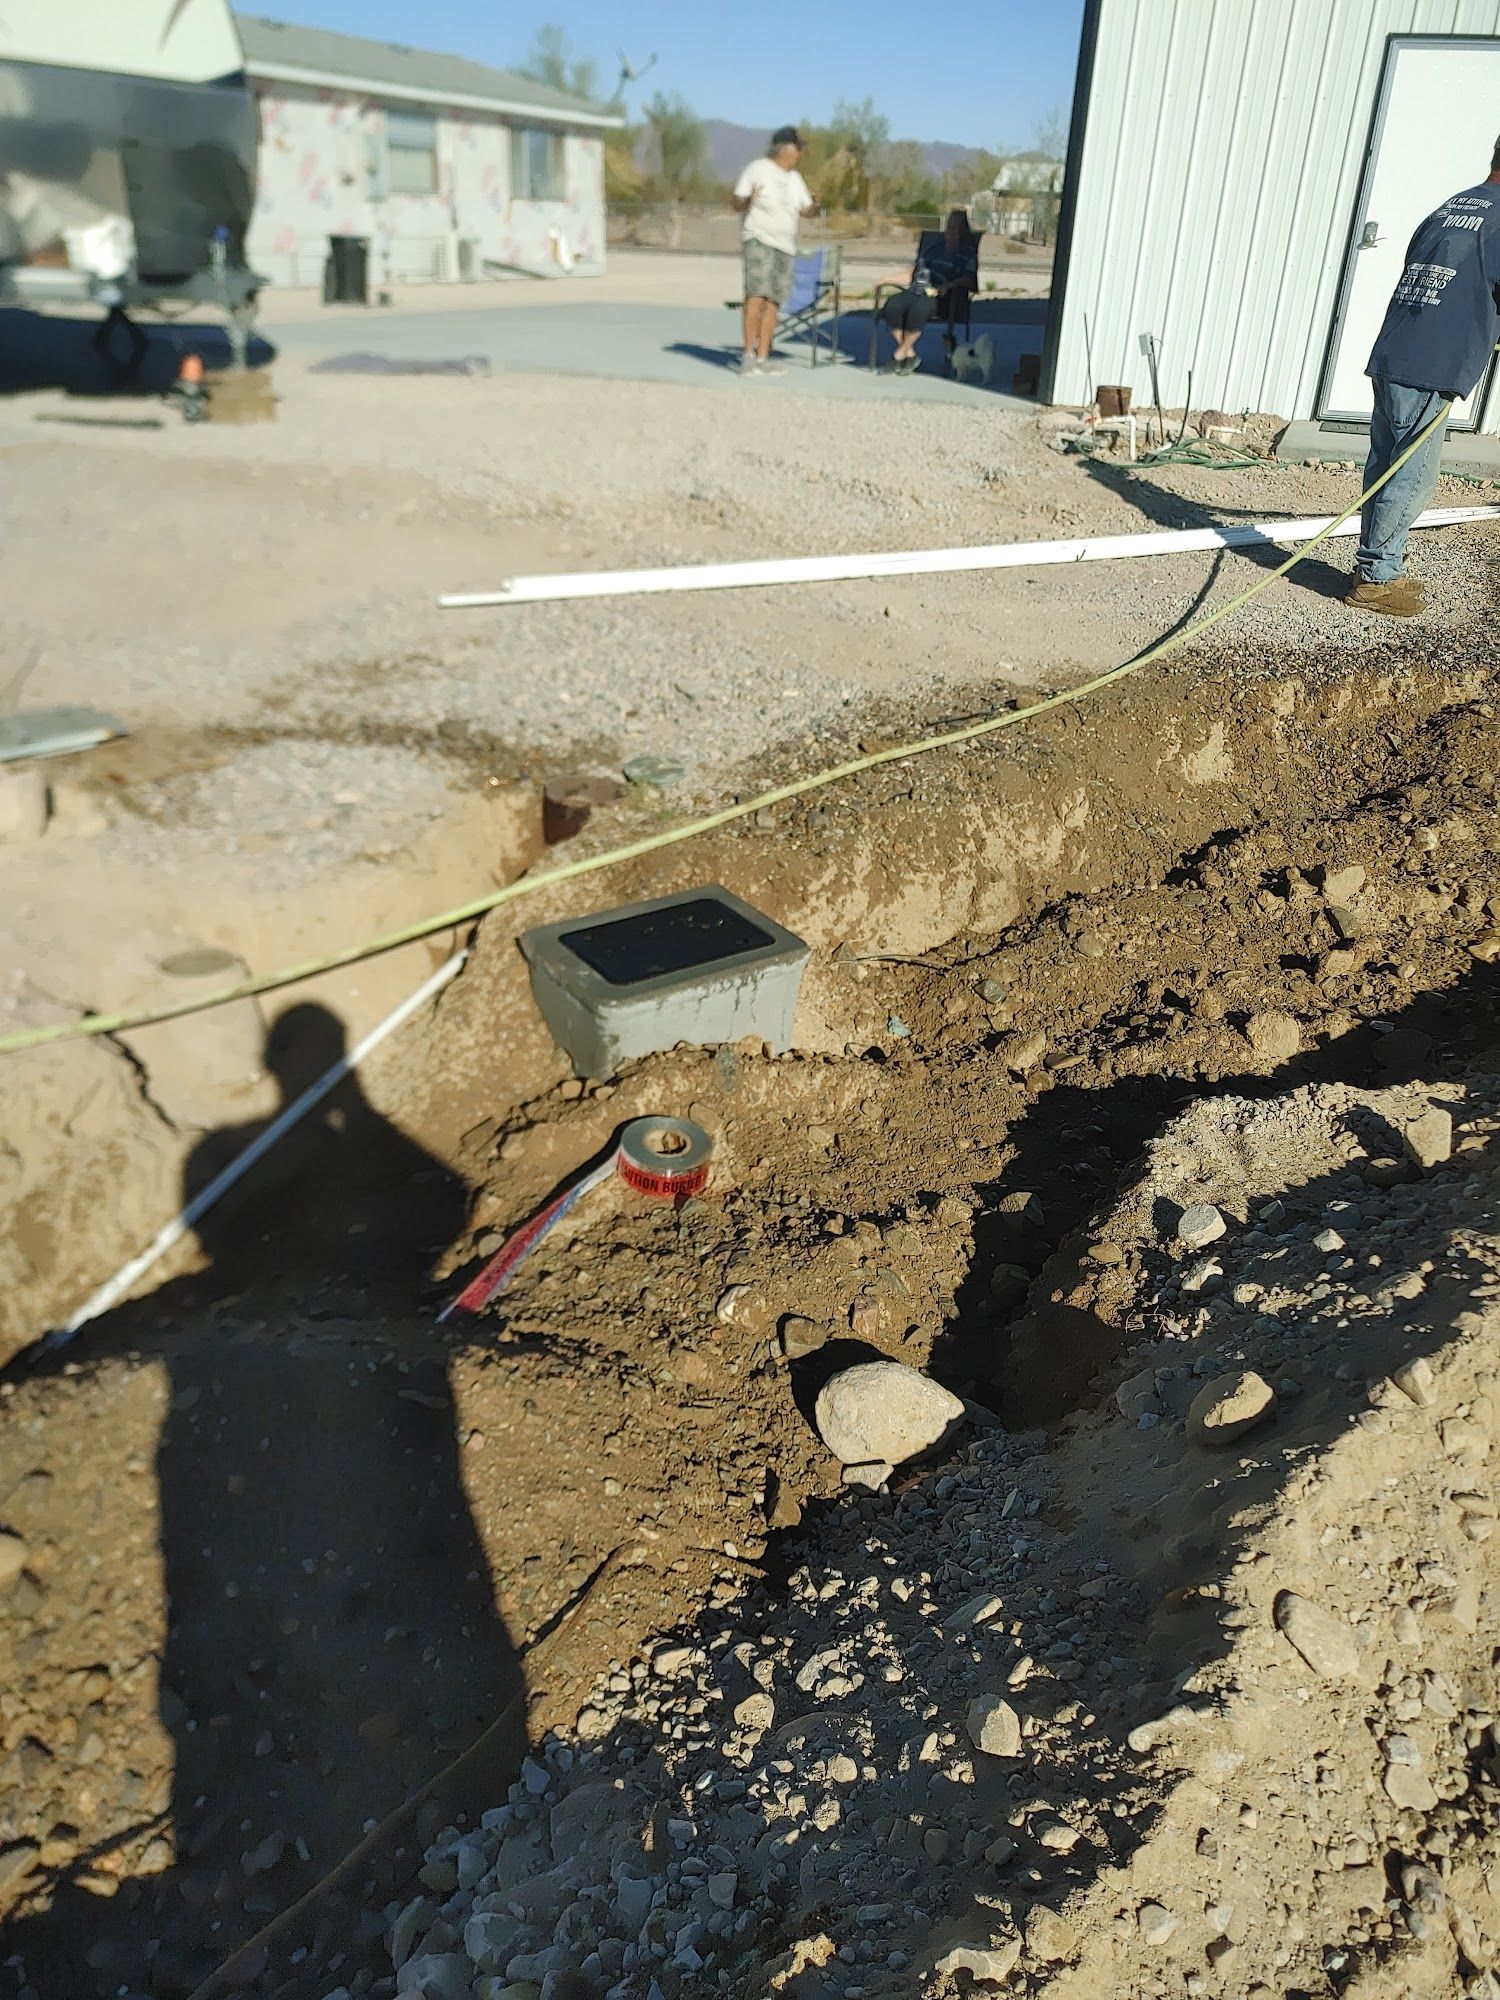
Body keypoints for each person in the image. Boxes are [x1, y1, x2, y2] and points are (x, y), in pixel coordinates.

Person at [1347, 136, 1500, 615]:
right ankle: (1374, 579)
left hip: (1397, 349)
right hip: (1433, 362)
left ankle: (1379, 566)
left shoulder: (1451, 206)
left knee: (1386, 464)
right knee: (1411, 473)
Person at [732, 126, 818, 376]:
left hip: (786, 247)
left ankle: (762, 357)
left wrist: (816, 204)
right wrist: (749, 200)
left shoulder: (795, 179)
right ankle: (748, 355)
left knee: (773, 302)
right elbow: (736, 203)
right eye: (798, 148)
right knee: (756, 296)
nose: (800, 153)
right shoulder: (757, 169)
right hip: (760, 239)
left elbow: (807, 211)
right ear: (785, 148)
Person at [877, 209, 978, 373]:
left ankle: (897, 356)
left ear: (963, 231)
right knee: (892, 305)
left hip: (941, 296)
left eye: (955, 228)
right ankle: (909, 354)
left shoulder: (966, 254)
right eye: (949, 227)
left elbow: (969, 279)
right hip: (916, 289)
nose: (950, 231)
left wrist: (949, 285)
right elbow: (913, 273)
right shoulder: (933, 249)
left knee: (919, 309)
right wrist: (886, 279)